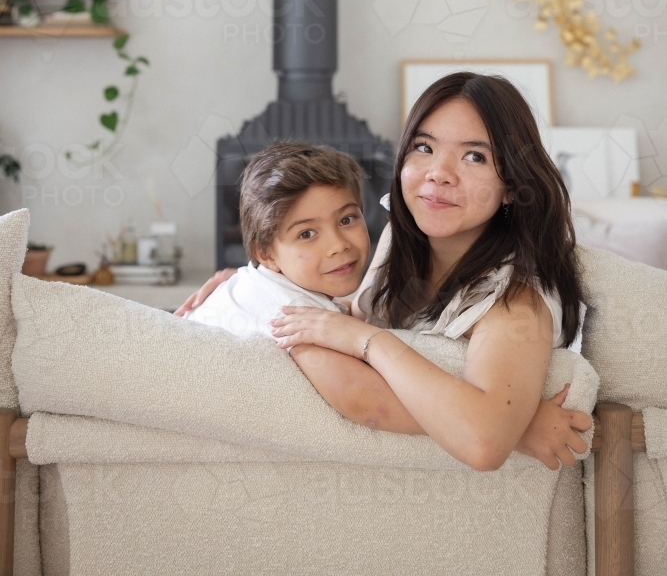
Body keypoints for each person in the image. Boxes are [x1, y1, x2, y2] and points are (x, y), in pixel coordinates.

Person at [176, 72, 591, 471]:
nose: (437, 173)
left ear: (513, 185)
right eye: (424, 148)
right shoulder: (406, 235)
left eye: (474, 156)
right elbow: (346, 312)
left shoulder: (514, 306)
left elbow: (483, 441)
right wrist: (256, 286)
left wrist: (366, 341)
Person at [182, 142, 370, 338]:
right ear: (265, 253)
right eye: (306, 234)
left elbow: (343, 311)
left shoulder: (265, 285)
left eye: (346, 220)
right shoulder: (295, 318)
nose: (338, 245)